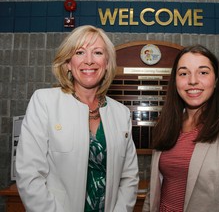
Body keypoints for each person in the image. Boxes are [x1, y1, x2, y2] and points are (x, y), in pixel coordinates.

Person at [16, 25, 139, 212]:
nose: (89, 61)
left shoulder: (121, 113)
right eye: (80, 52)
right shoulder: (44, 101)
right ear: (68, 63)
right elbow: (29, 175)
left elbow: (129, 178)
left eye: (97, 52)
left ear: (106, 63)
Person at [142, 44, 219, 212]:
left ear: (216, 80)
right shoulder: (168, 125)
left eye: (203, 72)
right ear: (175, 81)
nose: (192, 80)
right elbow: (153, 191)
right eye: (183, 73)